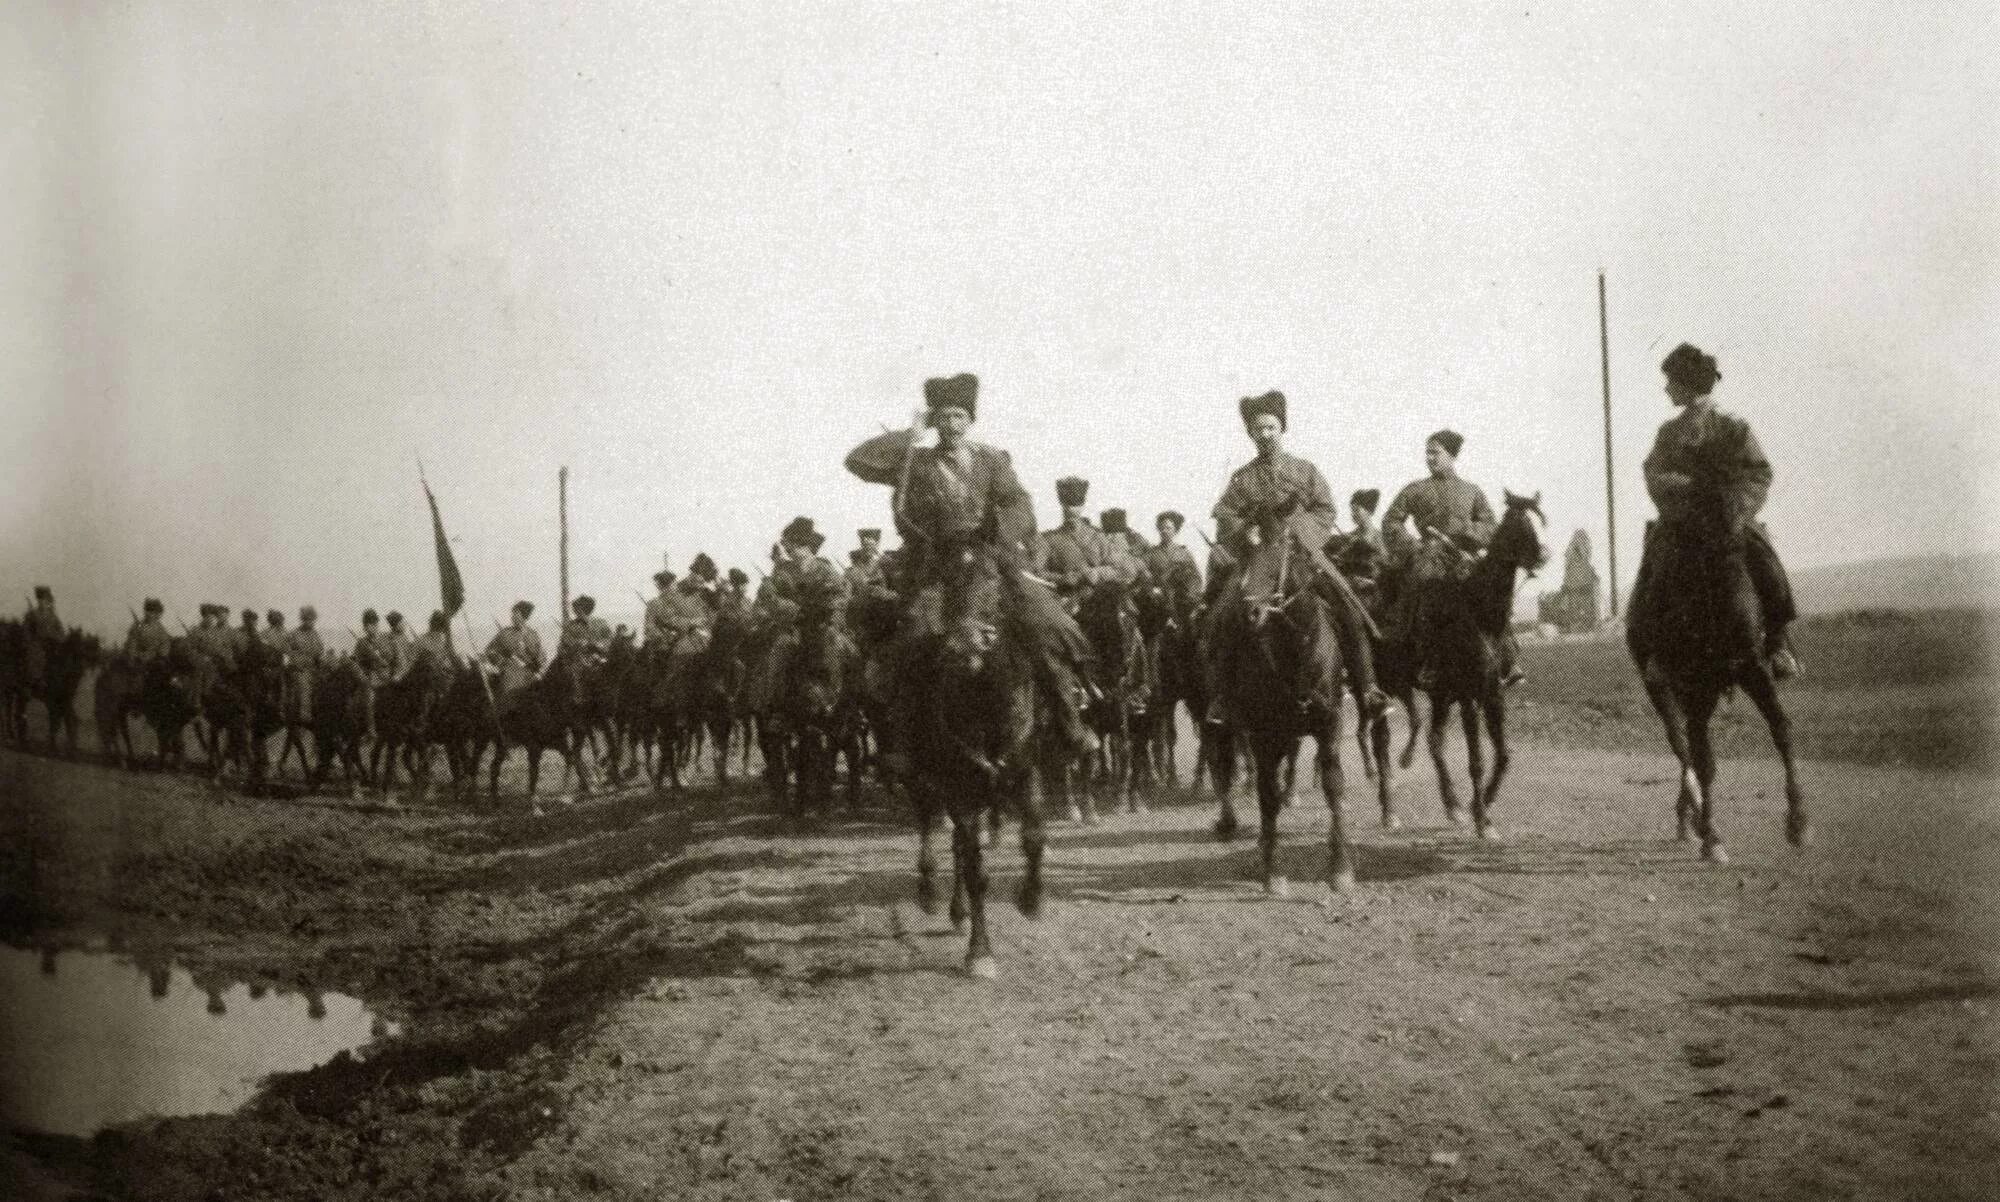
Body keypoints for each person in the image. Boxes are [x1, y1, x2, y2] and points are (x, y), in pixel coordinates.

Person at [843, 371, 1102, 770]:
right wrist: (911, 433)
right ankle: (905, 741)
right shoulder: (916, 461)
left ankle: (1070, 721)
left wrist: (1001, 528)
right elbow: (858, 462)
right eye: (943, 417)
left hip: (992, 562)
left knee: (1048, 621)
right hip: (935, 570)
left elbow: (1021, 505)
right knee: (913, 633)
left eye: (959, 416)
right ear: (935, 421)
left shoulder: (991, 460)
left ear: (970, 421)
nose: (951, 425)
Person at [1204, 389, 1383, 724]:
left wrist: (1302, 533)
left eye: (1271, 427)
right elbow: (1225, 515)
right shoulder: (1242, 478)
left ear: (1282, 428)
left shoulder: (1305, 471)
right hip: (1259, 561)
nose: (1266, 434)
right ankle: (1224, 696)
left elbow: (1326, 509)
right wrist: (1246, 532)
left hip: (1305, 556)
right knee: (1223, 613)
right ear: (1251, 434)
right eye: (1259, 429)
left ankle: (1368, 689)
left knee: (1348, 604)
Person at [1627, 342, 1800, 680]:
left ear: (1687, 383)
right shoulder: (1668, 432)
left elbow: (1759, 471)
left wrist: (1736, 507)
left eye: (1671, 382)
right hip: (1682, 522)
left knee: (1767, 564)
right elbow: (1652, 472)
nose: (1666, 389)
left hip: (1728, 518)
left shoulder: (1732, 426)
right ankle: (1658, 653)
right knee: (1656, 572)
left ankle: (1778, 644)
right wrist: (1675, 490)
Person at [1382, 430, 1514, 688]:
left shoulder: (1472, 491)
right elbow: (1390, 521)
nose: (1430, 458)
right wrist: (1414, 545)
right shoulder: (1415, 489)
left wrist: (1466, 531)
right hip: (1429, 556)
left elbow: (1491, 526)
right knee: (1423, 590)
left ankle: (1508, 658)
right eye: (1428, 452)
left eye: (1436, 452)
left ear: (1451, 456)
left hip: (1464, 556)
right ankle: (1426, 660)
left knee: (1489, 592)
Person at [1040, 478, 1140, 610]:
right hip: (1064, 602)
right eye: (1067, 504)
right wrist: (1062, 578)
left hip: (1100, 602)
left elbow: (1126, 570)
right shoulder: (1049, 539)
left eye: (1076, 504)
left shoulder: (1098, 537)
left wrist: (1094, 573)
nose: (1071, 509)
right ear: (1061, 504)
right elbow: (1036, 572)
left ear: (1082, 506)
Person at [1142, 511, 1204, 616]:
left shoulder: (1184, 553)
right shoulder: (1151, 553)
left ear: (1175, 530)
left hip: (1182, 602)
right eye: (1162, 528)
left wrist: (1192, 594)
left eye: (1168, 528)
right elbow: (1144, 575)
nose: (1164, 531)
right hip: (1159, 601)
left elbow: (1196, 577)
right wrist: (1152, 589)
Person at [485, 601, 545, 702]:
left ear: (524, 616)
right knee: (509, 685)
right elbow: (490, 651)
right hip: (509, 670)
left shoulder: (533, 635)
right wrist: (500, 661)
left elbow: (541, 655)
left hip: (529, 672)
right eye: (513, 614)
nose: (512, 617)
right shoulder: (505, 633)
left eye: (516, 614)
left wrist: (537, 664)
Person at [645, 569, 711, 649]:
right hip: (663, 648)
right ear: (663, 587)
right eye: (672, 585)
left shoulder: (680, 601)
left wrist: (696, 622)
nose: (675, 588)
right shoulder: (654, 603)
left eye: (674, 585)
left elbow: (688, 617)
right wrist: (662, 637)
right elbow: (650, 627)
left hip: (684, 642)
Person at [355, 609, 392, 737]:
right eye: (367, 626)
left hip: (387, 675)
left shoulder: (386, 639)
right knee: (369, 699)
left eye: (372, 625)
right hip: (371, 677)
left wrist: (380, 655)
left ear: (376, 625)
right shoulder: (361, 643)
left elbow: (391, 657)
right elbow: (357, 663)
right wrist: (363, 675)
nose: (370, 628)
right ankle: (371, 730)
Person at [286, 606, 325, 723]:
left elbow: (320, 649)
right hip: (299, 668)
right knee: (304, 684)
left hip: (313, 667)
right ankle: (305, 714)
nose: (311, 622)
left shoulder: (315, 634)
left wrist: (318, 658)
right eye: (308, 619)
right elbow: (287, 650)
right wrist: (298, 660)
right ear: (303, 619)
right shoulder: (294, 633)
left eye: (312, 620)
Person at [22, 586, 62, 688]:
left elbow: (61, 631)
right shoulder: (31, 614)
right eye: (41, 599)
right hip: (37, 643)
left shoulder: (53, 616)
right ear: (38, 600)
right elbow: (26, 630)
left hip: (53, 643)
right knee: (37, 654)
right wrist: (31, 641)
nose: (43, 602)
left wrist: (57, 638)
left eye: (46, 599)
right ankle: (37, 680)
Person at [123, 598, 173, 664]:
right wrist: (138, 656)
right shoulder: (137, 626)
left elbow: (165, 643)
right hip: (139, 660)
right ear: (145, 612)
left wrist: (161, 655)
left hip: (156, 660)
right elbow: (131, 644)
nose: (151, 614)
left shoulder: (160, 628)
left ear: (158, 614)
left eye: (155, 612)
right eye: (149, 611)